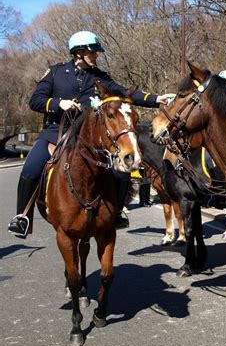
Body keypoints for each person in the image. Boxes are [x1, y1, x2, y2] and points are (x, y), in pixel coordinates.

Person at [8, 30, 174, 238]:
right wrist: (60, 103)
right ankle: (22, 217)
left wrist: (156, 99)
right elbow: (35, 101)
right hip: (56, 134)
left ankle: (118, 211)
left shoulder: (100, 78)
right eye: (92, 52)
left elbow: (125, 92)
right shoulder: (55, 73)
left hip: (90, 138)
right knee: (31, 169)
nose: (96, 55)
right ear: (78, 52)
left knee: (120, 173)